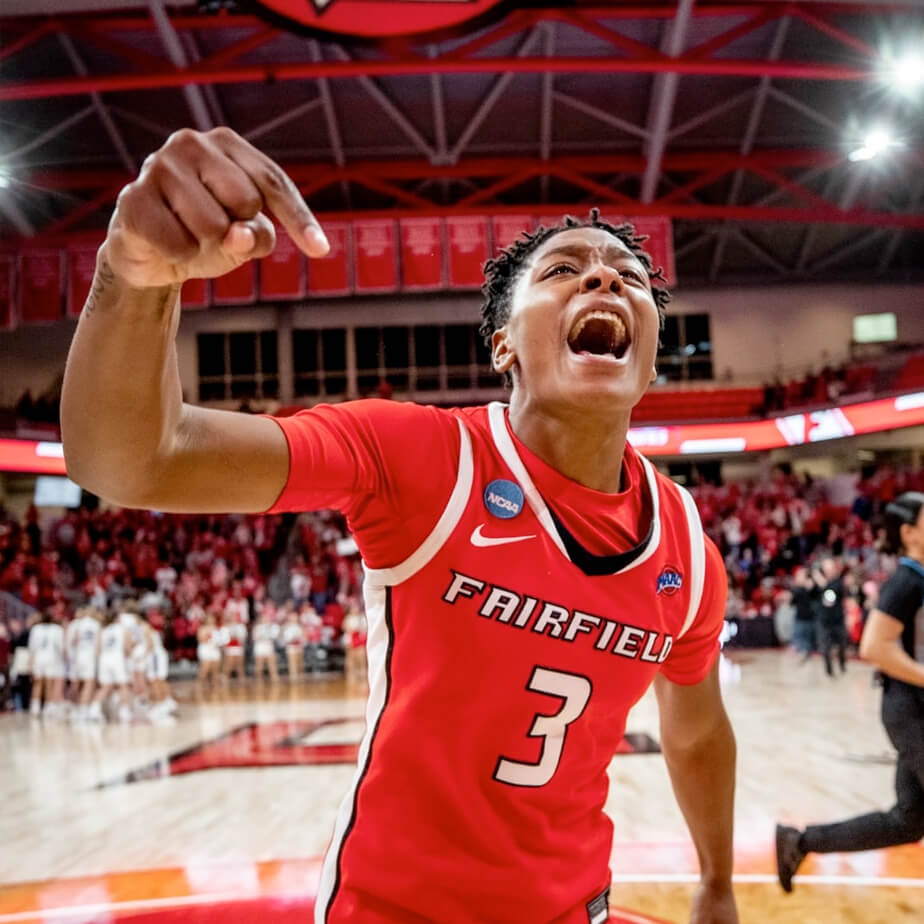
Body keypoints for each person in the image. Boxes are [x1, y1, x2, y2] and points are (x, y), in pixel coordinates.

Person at [59, 128, 737, 924]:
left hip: (573, 908)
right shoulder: (418, 454)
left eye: (630, 278)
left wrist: (717, 885)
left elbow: (695, 734)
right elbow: (133, 461)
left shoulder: (687, 549)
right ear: (503, 346)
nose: (604, 277)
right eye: (563, 270)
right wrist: (132, 275)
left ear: (651, 358)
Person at [776, 492, 924, 893]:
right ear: (909, 533)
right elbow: (874, 647)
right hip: (910, 711)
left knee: (906, 822)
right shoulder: (907, 581)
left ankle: (800, 842)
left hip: (911, 709)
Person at [811, 556, 848, 677]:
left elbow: (831, 594)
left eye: (831, 568)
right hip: (824, 621)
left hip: (837, 620)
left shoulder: (838, 582)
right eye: (826, 568)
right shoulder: (818, 584)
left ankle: (842, 665)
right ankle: (829, 671)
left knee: (842, 645)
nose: (829, 570)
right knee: (825, 647)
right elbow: (811, 596)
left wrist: (822, 583)